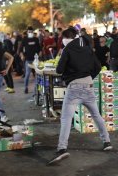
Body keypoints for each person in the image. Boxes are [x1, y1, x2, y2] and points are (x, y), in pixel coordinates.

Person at [48, 28, 112, 165]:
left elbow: (59, 69)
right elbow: (98, 66)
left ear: (66, 38)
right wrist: (88, 77)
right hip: (88, 85)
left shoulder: (67, 49)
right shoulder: (87, 48)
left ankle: (62, 149)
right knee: (96, 115)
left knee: (66, 118)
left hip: (74, 88)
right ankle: (107, 141)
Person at [21, 27, 41, 94]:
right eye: (29, 32)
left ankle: (37, 88)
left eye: (31, 32)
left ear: (33, 32)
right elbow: (21, 48)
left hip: (35, 59)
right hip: (28, 59)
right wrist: (22, 55)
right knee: (27, 74)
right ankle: (26, 87)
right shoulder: (25, 39)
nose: (30, 33)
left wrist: (40, 53)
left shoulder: (36, 39)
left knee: (37, 74)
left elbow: (39, 48)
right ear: (27, 32)